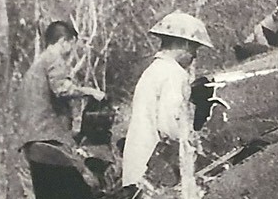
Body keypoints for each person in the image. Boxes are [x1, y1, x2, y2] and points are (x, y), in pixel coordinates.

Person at [122, 11, 215, 188]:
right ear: (186, 44)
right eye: (194, 48)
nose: (194, 55)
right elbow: (170, 126)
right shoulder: (174, 74)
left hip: (139, 158)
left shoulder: (154, 70)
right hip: (154, 167)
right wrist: (195, 145)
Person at [18, 20, 106, 155]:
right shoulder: (54, 59)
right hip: (49, 137)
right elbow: (62, 90)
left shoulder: (37, 65)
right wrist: (90, 92)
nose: (71, 49)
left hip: (30, 138)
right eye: (71, 44)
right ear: (63, 41)